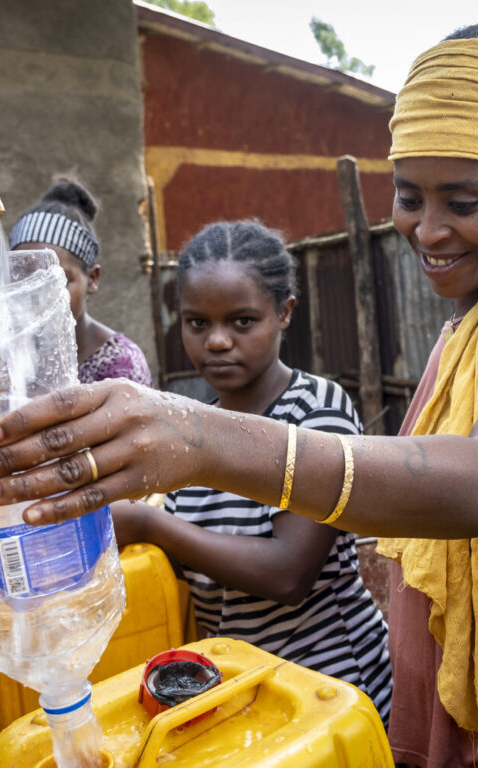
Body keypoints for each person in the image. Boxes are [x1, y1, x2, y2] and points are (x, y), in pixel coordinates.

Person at [0, 9, 478, 766]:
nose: (428, 230)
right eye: (408, 195)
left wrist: (200, 441)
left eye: (463, 202)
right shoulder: (468, 332)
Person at [111, 219, 392, 722]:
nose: (217, 341)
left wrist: (150, 524)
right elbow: (194, 566)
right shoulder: (191, 426)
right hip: (242, 690)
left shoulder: (315, 412)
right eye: (198, 323)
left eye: (241, 321)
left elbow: (289, 574)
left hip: (328, 687)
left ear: (284, 313)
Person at [9, 178, 153, 387]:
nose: (38, 296)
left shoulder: (120, 367)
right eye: (24, 279)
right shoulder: (5, 351)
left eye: (58, 281)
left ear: (92, 279)